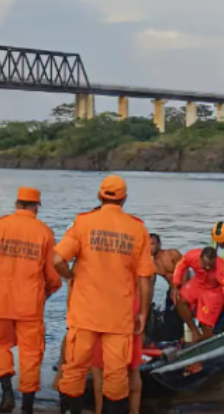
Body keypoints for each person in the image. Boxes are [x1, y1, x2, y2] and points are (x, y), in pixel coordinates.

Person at [53, 175, 155, 414]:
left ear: (99, 196)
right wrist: (142, 313)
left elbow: (57, 259)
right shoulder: (137, 228)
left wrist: (70, 276)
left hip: (84, 313)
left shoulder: (83, 223)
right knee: (116, 375)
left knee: (75, 369)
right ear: (125, 199)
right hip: (118, 317)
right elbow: (145, 279)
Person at [0, 187, 62, 414]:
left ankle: (6, 393)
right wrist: (48, 292)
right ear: (36, 207)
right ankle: (27, 407)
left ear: (17, 204)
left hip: (1, 301)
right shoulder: (44, 232)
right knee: (31, 354)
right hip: (30, 306)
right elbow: (53, 276)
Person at [172, 247, 224, 343]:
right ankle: (194, 331)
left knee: (205, 323)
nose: (207, 267)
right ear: (200, 258)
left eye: (210, 265)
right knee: (180, 299)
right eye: (205, 264)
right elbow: (181, 265)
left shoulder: (222, 270)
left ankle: (203, 340)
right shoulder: (192, 255)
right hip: (199, 280)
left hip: (214, 289)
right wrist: (176, 284)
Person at [90, 291, 143, 414]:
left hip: (100, 311)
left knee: (98, 370)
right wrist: (143, 312)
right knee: (133, 369)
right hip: (129, 308)